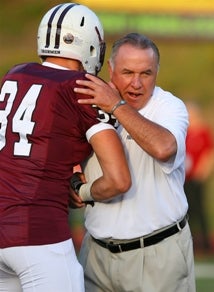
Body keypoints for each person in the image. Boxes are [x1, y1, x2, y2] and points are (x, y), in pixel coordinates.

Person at [0, 3, 131, 292]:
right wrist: (84, 192)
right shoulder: (82, 87)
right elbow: (119, 179)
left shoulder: (14, 75)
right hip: (39, 234)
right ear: (91, 47)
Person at [70, 33, 196, 292]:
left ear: (157, 73)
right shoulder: (89, 102)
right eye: (127, 72)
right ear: (111, 70)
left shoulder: (169, 106)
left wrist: (115, 105)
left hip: (157, 255)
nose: (136, 83)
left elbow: (163, 148)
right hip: (95, 253)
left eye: (146, 73)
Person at [184, 101, 214, 252]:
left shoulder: (203, 132)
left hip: (197, 178)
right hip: (185, 178)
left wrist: (202, 173)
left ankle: (205, 243)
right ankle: (190, 240)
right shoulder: (186, 132)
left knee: (199, 209)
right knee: (186, 209)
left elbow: (210, 153)